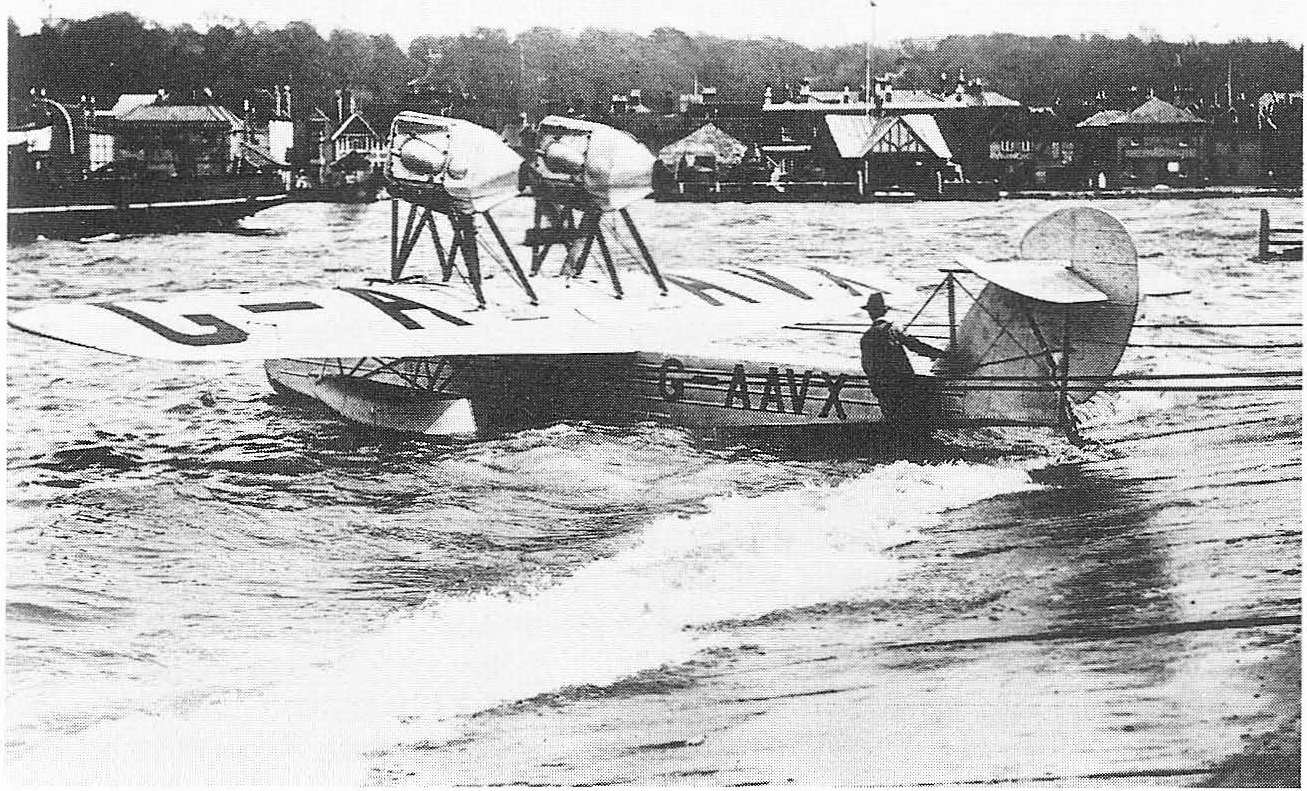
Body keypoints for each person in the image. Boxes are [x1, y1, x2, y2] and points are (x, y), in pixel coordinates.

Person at [859, 292, 948, 424]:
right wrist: (941, 354)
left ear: (870, 313)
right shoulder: (892, 329)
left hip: (882, 388)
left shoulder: (866, 337)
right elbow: (915, 345)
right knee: (931, 386)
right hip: (904, 383)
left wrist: (877, 383)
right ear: (884, 311)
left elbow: (867, 365)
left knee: (893, 418)